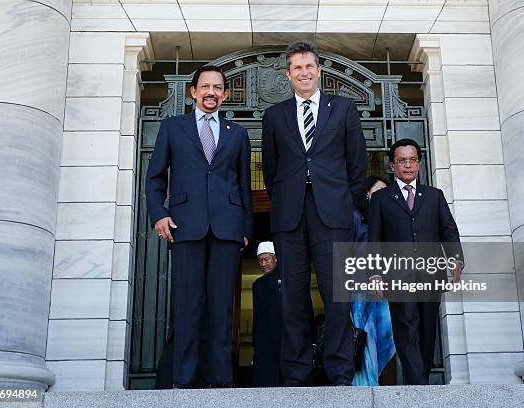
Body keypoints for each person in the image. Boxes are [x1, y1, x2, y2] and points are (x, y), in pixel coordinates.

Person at [262, 41, 368, 386]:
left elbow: (357, 165)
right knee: (292, 296)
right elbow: (271, 169)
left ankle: (340, 370)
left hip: (333, 214)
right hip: (290, 216)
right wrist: (283, 201)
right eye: (297, 68)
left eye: (309, 66)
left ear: (318, 70)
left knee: (337, 295)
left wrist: (347, 204)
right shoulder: (274, 115)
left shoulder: (344, 109)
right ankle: (297, 372)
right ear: (289, 74)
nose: (304, 72)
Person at [145, 65, 253, 388]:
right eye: (205, 86)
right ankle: (185, 380)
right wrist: (157, 214)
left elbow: (245, 185)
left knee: (222, 309)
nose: (211, 92)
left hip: (227, 230)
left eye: (217, 88)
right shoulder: (172, 127)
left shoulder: (238, 133)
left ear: (225, 94)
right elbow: (154, 179)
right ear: (193, 92)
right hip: (185, 226)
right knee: (188, 306)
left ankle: (221, 381)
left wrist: (246, 227)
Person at [368, 138, 463, 385]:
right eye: (402, 161)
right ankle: (418, 385)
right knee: (406, 325)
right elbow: (375, 239)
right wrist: (375, 273)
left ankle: (419, 379)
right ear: (392, 165)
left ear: (419, 164)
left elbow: (448, 230)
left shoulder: (434, 196)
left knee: (427, 329)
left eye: (412, 160)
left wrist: (455, 259)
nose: (408, 165)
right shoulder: (381, 199)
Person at [351, 175, 396, 386]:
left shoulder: (392, 220)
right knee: (365, 337)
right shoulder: (355, 218)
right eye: (377, 192)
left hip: (387, 288)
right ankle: (364, 387)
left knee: (389, 337)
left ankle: (375, 382)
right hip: (360, 287)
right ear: (367, 194)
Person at [252, 241, 283, 387]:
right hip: (264, 339)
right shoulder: (257, 285)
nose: (263, 264)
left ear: (275, 258)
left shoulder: (287, 280)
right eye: (260, 260)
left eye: (266, 259)